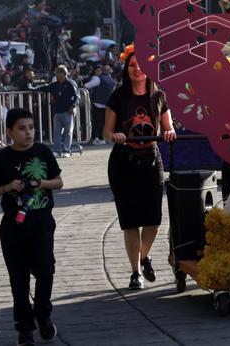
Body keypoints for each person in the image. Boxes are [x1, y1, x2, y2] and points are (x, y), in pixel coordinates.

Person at [0, 108, 62, 346]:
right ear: (9, 132)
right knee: (18, 279)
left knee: (46, 270)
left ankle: (43, 314)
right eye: (21, 128)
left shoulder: (42, 151)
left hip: (41, 221)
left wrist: (41, 183)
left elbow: (59, 182)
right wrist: (8, 187)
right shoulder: (2, 158)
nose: (28, 133)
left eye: (31, 127)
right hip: (13, 226)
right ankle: (25, 327)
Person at [104, 46, 177, 290]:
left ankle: (143, 256)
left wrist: (169, 132)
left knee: (153, 220)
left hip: (151, 161)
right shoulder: (118, 96)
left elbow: (168, 126)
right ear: (126, 69)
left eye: (142, 65)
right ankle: (136, 272)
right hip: (123, 163)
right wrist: (115, 136)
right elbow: (106, 132)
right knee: (130, 221)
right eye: (132, 65)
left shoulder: (158, 95)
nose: (137, 70)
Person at [35, 65, 78, 158]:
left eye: (58, 73)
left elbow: (77, 96)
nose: (56, 75)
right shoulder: (55, 85)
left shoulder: (71, 83)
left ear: (63, 74)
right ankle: (57, 151)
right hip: (57, 111)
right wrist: (34, 89)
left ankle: (66, 150)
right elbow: (46, 87)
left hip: (68, 111)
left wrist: (73, 105)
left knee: (68, 132)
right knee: (57, 132)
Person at [83, 64, 115, 145]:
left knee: (98, 122)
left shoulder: (98, 78)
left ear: (102, 70)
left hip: (97, 103)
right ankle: (104, 138)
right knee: (105, 123)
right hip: (107, 104)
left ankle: (100, 138)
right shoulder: (112, 80)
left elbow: (87, 86)